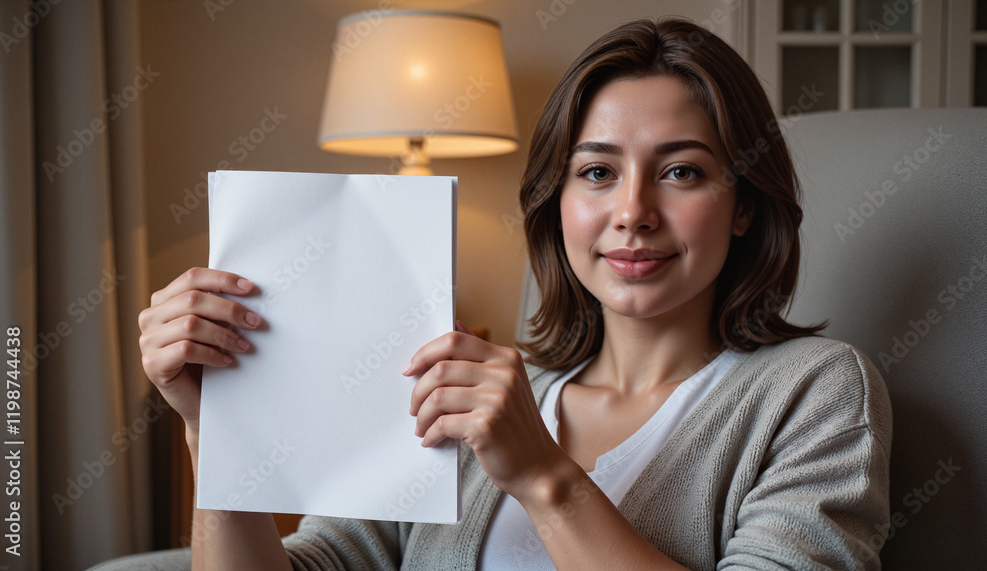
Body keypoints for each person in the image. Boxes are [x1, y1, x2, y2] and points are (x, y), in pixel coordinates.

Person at [136, 17, 891, 571]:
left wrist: (544, 477)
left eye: (681, 171)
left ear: (745, 203)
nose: (632, 211)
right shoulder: (456, 389)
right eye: (597, 172)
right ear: (557, 202)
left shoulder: (814, 391)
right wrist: (218, 425)